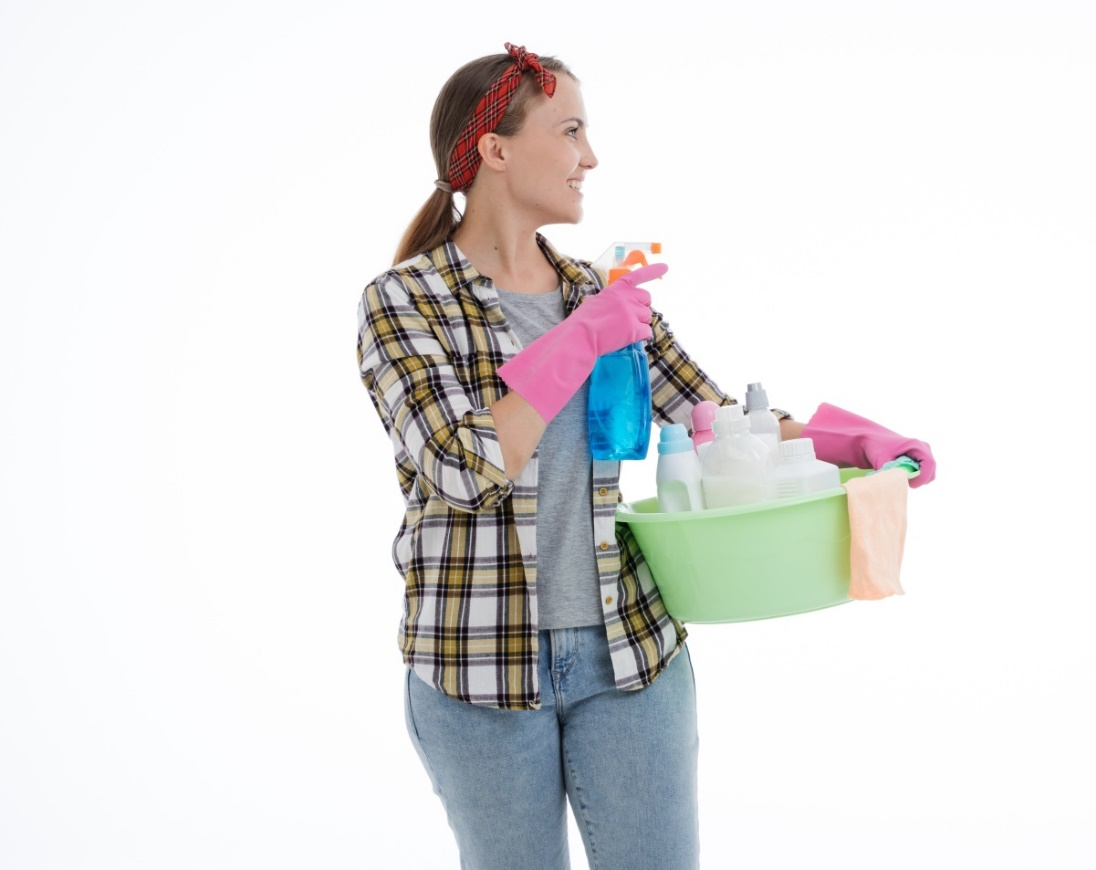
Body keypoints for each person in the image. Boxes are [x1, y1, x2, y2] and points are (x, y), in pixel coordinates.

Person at [356, 42, 936, 870]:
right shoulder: (404, 301)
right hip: (477, 666)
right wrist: (576, 341)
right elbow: (464, 467)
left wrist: (850, 442)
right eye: (570, 131)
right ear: (495, 150)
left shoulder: (602, 298)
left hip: (629, 650)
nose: (590, 157)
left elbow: (714, 420)